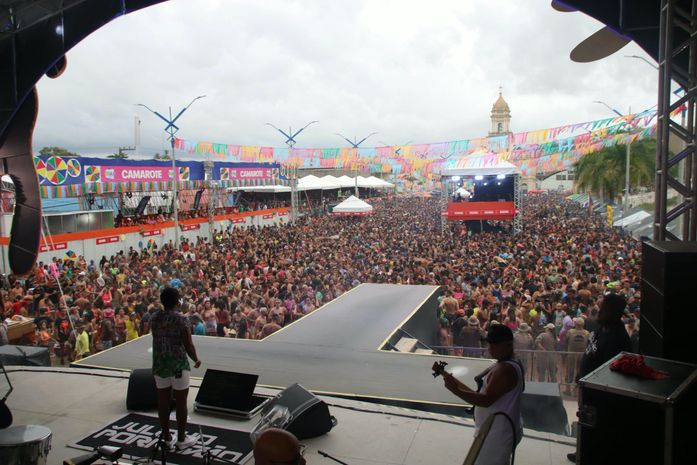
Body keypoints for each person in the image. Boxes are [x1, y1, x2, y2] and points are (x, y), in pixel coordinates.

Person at [441, 324, 523, 465]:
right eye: (489, 343)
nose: (490, 348)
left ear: (509, 345)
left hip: (497, 433)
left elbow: (485, 400)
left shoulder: (505, 370)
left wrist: (456, 390)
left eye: (495, 345)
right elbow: (480, 395)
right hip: (495, 431)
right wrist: (455, 383)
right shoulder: (505, 364)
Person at [567, 293, 632, 463]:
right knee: (585, 421)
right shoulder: (601, 328)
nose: (599, 311)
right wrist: (581, 373)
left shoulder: (619, 339)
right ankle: (581, 451)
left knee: (597, 427)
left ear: (613, 311)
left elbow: (612, 372)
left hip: (600, 394)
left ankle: (589, 455)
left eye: (603, 309)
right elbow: (590, 352)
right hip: (587, 387)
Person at [151, 286, 202, 451]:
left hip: (160, 363)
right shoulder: (181, 319)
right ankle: (181, 438)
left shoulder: (154, 318)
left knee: (163, 401)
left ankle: (166, 437)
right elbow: (188, 344)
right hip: (178, 364)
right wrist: (196, 359)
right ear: (177, 301)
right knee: (181, 402)